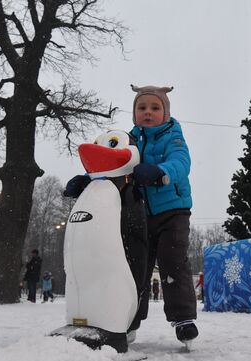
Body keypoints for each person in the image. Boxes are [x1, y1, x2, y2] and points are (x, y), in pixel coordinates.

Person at [64, 85, 198, 343]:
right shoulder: (129, 139)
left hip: (173, 211)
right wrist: (88, 180)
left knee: (173, 260)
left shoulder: (173, 137)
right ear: (135, 113)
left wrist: (160, 171)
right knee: (135, 267)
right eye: (142, 107)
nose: (148, 112)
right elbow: (113, 163)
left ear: (166, 112)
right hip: (139, 214)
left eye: (155, 108)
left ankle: (183, 319)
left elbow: (181, 163)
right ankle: (128, 319)